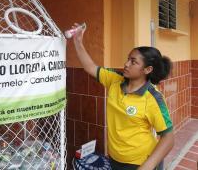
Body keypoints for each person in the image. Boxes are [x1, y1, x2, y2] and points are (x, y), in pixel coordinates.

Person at [71, 23, 174, 170]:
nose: (126, 64)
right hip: (115, 159)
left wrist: (147, 166)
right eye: (128, 59)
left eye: (133, 62)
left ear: (147, 69)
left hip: (141, 162)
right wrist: (78, 41)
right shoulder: (115, 80)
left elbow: (168, 138)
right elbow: (90, 67)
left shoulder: (153, 97)